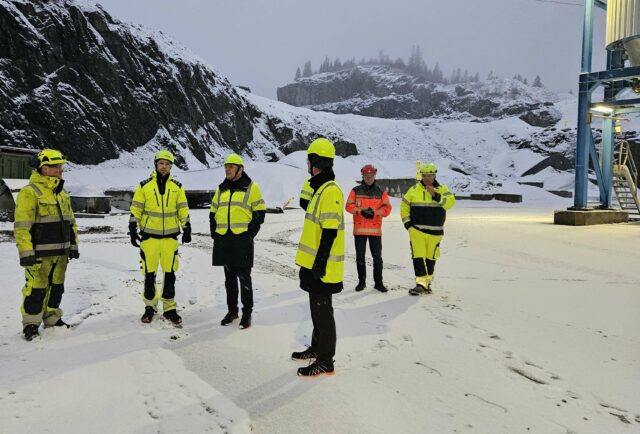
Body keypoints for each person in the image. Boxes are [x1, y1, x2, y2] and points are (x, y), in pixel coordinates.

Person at [14, 149, 78, 341]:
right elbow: (22, 226)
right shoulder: (30, 192)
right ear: (44, 168)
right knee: (36, 289)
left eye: (61, 166)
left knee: (57, 287)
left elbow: (71, 222)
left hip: (61, 253)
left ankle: (52, 318)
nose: (60, 170)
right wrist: (26, 253)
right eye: (56, 166)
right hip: (39, 253)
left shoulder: (62, 193)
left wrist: (73, 245)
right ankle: (31, 324)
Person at [292, 138, 344, 377]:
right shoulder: (320, 188)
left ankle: (326, 360)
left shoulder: (330, 191)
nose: (307, 164)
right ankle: (316, 348)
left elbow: (330, 230)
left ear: (315, 162)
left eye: (309, 160)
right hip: (315, 262)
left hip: (323, 265)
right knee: (317, 309)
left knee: (324, 313)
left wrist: (320, 261)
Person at [129, 150, 191, 325]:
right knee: (149, 274)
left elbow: (183, 210)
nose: (164, 166)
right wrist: (133, 229)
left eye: (167, 164)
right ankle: (150, 307)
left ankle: (170, 308)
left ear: (171, 166)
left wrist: (187, 228)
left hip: (170, 239)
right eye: (161, 163)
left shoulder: (177, 187)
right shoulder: (144, 186)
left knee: (169, 274)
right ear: (155, 165)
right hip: (149, 239)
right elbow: (136, 210)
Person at [210, 153, 266, 329]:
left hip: (242, 240)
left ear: (240, 169)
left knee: (244, 278)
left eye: (231, 167)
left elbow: (260, 213)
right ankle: (232, 310)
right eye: (226, 166)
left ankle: (247, 312)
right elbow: (213, 212)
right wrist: (214, 233)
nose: (227, 169)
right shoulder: (221, 189)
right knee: (229, 279)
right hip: (224, 239)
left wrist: (249, 234)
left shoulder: (251, 187)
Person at [400, 163, 455, 295]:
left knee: (431, 259)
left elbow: (450, 203)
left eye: (430, 175)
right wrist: (408, 225)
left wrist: (436, 195)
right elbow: (404, 207)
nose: (427, 178)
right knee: (418, 257)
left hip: (436, 232)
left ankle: (427, 283)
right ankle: (420, 284)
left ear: (434, 175)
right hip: (417, 231)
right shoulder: (413, 190)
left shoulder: (443, 189)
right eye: (424, 175)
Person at [345, 164, 392, 292]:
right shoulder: (355, 190)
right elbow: (348, 206)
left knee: (377, 258)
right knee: (360, 257)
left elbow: (387, 209)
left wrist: (375, 213)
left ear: (375, 175)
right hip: (359, 230)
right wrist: (361, 211)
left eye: (371, 176)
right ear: (363, 176)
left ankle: (378, 283)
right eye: (366, 176)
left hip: (375, 231)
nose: (369, 178)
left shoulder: (381, 192)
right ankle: (362, 282)